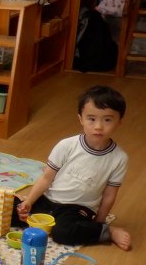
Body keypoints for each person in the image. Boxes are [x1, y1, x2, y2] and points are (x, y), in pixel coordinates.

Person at [17, 86, 130, 250]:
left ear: (119, 121)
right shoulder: (67, 145)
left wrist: (98, 223)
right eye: (91, 119)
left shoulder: (119, 158)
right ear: (81, 119)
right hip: (48, 200)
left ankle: (109, 232)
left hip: (78, 210)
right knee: (12, 209)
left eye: (107, 120)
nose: (98, 126)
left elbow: (109, 195)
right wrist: (28, 201)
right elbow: (46, 178)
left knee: (63, 232)